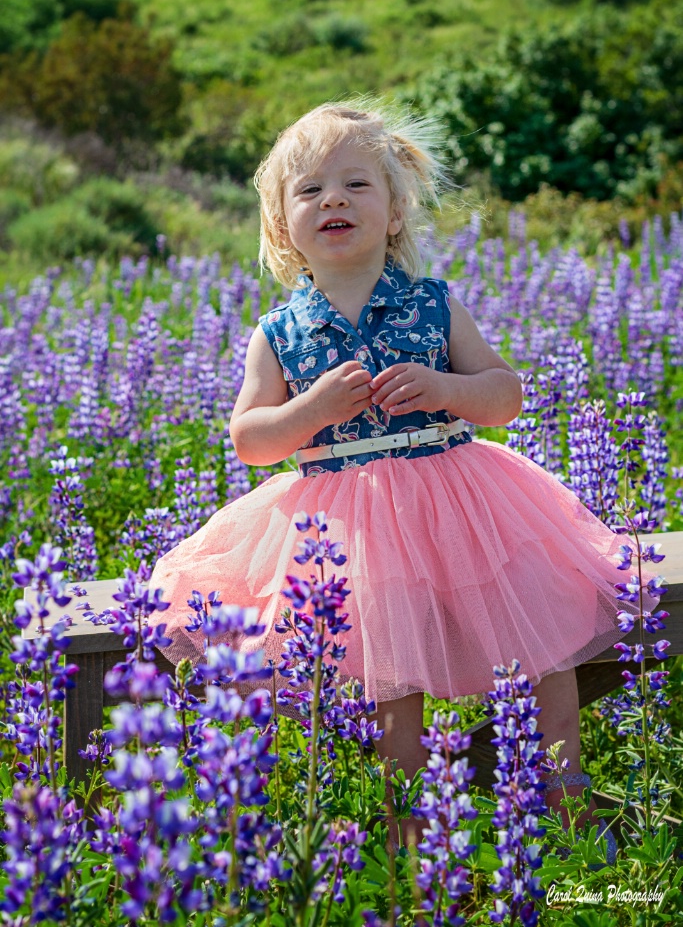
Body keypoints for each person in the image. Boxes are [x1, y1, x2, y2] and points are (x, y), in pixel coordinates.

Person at [149, 100, 656, 860]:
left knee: (543, 649)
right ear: (283, 225)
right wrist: (310, 409)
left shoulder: (431, 303)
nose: (333, 200)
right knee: (391, 694)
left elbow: (504, 395)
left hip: (461, 500)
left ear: (392, 214)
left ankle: (568, 805)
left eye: (356, 184)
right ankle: (410, 847)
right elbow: (250, 440)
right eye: (310, 189)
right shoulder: (279, 331)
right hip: (342, 527)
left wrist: (448, 389)